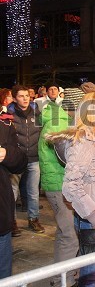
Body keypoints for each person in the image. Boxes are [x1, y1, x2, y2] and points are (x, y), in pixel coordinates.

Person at [48, 91, 95, 287]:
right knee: (91, 278)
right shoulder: (84, 140)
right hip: (94, 219)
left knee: (94, 273)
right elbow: (71, 186)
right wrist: (94, 215)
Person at [38, 83, 79, 287]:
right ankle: (64, 280)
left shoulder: (60, 119)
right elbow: (67, 158)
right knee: (69, 235)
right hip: (58, 184)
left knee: (65, 233)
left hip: (57, 182)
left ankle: (63, 275)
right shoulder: (58, 122)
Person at [9, 85, 45, 233]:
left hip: (34, 158)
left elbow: (43, 131)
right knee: (13, 192)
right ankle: (12, 223)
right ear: (14, 98)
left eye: (27, 96)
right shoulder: (9, 115)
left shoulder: (37, 112)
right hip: (16, 160)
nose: (25, 99)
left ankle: (33, 219)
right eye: (21, 96)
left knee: (33, 192)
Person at [0, 107, 28, 279]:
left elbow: (21, 162)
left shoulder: (4, 127)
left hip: (1, 219)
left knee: (4, 274)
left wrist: (7, 154)